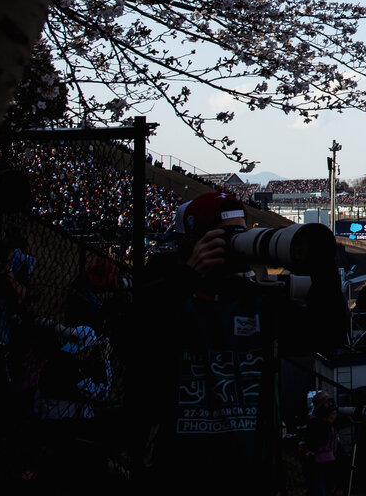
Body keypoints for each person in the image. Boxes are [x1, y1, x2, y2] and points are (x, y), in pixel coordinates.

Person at [136, 192, 344, 493]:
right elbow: (137, 341)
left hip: (252, 474)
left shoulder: (257, 302)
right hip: (181, 473)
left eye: (240, 234)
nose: (236, 244)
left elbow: (327, 333)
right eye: (227, 236)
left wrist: (323, 267)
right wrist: (189, 276)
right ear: (194, 243)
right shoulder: (166, 296)